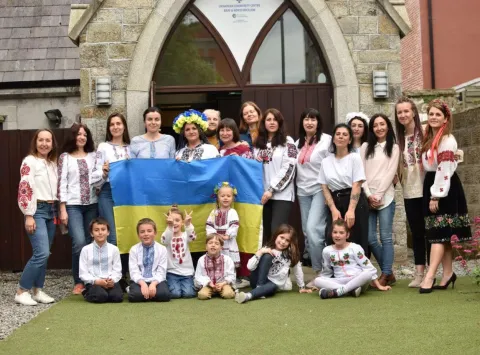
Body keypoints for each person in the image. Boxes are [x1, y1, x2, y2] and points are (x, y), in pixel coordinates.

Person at [419, 99, 471, 293]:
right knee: (443, 235)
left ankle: (429, 276)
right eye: (431, 114)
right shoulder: (429, 138)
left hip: (443, 187)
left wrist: (436, 196)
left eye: (437, 115)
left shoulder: (447, 140)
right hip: (432, 184)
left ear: (445, 119)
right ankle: (448, 273)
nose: (433, 117)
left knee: (437, 235)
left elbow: (444, 168)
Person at [15, 129, 58, 306]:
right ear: (35, 142)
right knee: (41, 252)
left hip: (52, 210)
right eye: (41, 140)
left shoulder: (52, 164)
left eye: (48, 140)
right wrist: (29, 215)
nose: (44, 144)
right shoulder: (29, 161)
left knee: (45, 254)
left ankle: (37, 290)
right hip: (37, 210)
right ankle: (21, 290)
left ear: (52, 143)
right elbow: (24, 187)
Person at [58, 123, 98, 295]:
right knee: (79, 242)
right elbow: (62, 183)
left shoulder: (94, 156)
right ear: (73, 137)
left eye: (84, 135)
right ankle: (79, 281)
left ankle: (92, 279)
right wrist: (62, 208)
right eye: (78, 134)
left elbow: (98, 177)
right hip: (73, 205)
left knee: (91, 242)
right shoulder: (65, 157)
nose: (81, 137)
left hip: (92, 204)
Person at [360, 114, 400, 287]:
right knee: (370, 237)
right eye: (375, 125)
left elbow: (391, 173)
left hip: (386, 197)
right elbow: (360, 172)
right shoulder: (365, 147)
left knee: (386, 237)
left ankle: (384, 273)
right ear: (371, 129)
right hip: (368, 196)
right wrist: (369, 195)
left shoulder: (394, 148)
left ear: (388, 126)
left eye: (382, 124)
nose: (379, 128)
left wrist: (379, 194)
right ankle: (389, 271)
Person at [318, 123, 369, 254]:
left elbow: (357, 184)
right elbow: (324, 187)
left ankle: (359, 273)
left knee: (356, 238)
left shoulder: (354, 158)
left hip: (354, 201)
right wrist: (333, 209)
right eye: (338, 134)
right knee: (333, 237)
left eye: (345, 134)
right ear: (333, 138)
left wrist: (351, 210)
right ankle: (336, 272)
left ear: (350, 139)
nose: (341, 137)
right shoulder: (326, 161)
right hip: (335, 201)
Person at [394, 97, 428, 287]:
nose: (403, 115)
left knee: (431, 230)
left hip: (428, 188)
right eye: (400, 112)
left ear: (413, 112)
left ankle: (432, 271)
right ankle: (419, 273)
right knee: (416, 232)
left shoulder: (425, 133)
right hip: (409, 190)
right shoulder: (398, 139)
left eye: (406, 111)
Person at [295, 108, 331, 284]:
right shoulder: (297, 143)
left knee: (313, 230)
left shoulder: (326, 141)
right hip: (302, 191)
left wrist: (329, 192)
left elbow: (333, 163)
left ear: (318, 122)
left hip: (319, 189)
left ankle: (320, 273)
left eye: (313, 119)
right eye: (306, 119)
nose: (309, 122)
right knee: (308, 233)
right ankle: (326, 268)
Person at [314, 219, 391, 299]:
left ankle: (339, 291)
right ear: (331, 234)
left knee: (367, 273)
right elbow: (327, 271)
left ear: (347, 235)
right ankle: (349, 290)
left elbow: (368, 266)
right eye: (335, 232)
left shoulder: (355, 248)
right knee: (317, 281)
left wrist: (379, 286)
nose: (337, 235)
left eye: (341, 233)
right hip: (340, 280)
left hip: (357, 280)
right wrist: (321, 283)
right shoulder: (327, 250)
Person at [235, 224, 311, 304]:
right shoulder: (267, 248)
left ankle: (248, 296)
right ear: (276, 235)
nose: (283, 242)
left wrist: (301, 287)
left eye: (287, 240)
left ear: (290, 243)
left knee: (273, 286)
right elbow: (249, 267)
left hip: (271, 285)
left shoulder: (291, 254)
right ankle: (259, 289)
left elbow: (297, 269)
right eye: (281, 237)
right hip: (257, 282)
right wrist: (260, 252)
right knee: (267, 256)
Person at [254, 108, 297, 243]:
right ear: (263, 123)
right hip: (262, 195)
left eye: (275, 120)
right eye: (268, 120)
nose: (272, 123)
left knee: (277, 231)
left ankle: (281, 262)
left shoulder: (288, 141)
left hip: (281, 194)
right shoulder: (258, 144)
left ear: (280, 123)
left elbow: (289, 167)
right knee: (265, 232)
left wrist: (272, 189)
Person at [91, 113, 131, 246]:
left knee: (127, 231)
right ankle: (113, 267)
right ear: (108, 128)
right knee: (112, 235)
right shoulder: (103, 147)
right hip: (108, 192)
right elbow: (94, 177)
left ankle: (125, 266)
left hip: (127, 193)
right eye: (112, 124)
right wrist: (103, 172)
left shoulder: (131, 148)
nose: (115, 127)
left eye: (118, 123)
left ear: (124, 126)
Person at [206, 182, 248, 288]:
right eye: (222, 196)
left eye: (228, 196)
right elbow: (209, 225)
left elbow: (235, 225)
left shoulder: (233, 212)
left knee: (229, 261)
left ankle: (231, 281)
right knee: (217, 260)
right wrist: (214, 236)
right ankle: (216, 279)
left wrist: (227, 235)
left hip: (228, 242)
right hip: (216, 242)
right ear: (217, 197)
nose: (225, 198)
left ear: (232, 198)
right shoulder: (214, 212)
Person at [79, 218, 123, 303]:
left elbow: (117, 270)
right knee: (100, 296)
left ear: (108, 232)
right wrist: (96, 281)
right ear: (92, 233)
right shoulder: (86, 250)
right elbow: (83, 273)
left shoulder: (114, 249)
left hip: (110, 281)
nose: (100, 233)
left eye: (103, 229)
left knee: (117, 297)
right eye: (96, 230)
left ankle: (105, 292)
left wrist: (112, 280)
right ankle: (86, 292)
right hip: (94, 282)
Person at [128, 218, 171, 302]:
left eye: (149, 231)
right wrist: (143, 284)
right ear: (138, 234)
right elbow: (134, 271)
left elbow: (162, 270)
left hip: (156, 280)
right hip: (140, 281)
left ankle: (148, 294)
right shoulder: (134, 249)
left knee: (164, 295)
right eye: (142, 232)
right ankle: (138, 290)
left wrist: (153, 284)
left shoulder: (162, 249)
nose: (146, 234)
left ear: (155, 233)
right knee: (134, 296)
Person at [161, 206, 196, 299]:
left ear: (182, 222)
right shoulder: (167, 235)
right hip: (172, 272)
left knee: (189, 294)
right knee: (175, 294)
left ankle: (188, 285)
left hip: (186, 273)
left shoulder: (185, 236)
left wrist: (188, 225)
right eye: (172, 221)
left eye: (177, 220)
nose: (174, 223)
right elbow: (164, 240)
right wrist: (170, 227)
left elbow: (192, 237)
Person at [194, 234, 236, 300]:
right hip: (208, 285)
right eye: (210, 243)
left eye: (216, 243)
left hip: (223, 284)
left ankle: (228, 291)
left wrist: (223, 283)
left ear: (221, 248)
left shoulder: (227, 259)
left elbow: (232, 276)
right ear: (206, 247)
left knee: (228, 294)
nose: (213, 245)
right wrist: (208, 283)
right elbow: (198, 276)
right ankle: (212, 292)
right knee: (202, 295)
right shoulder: (201, 260)